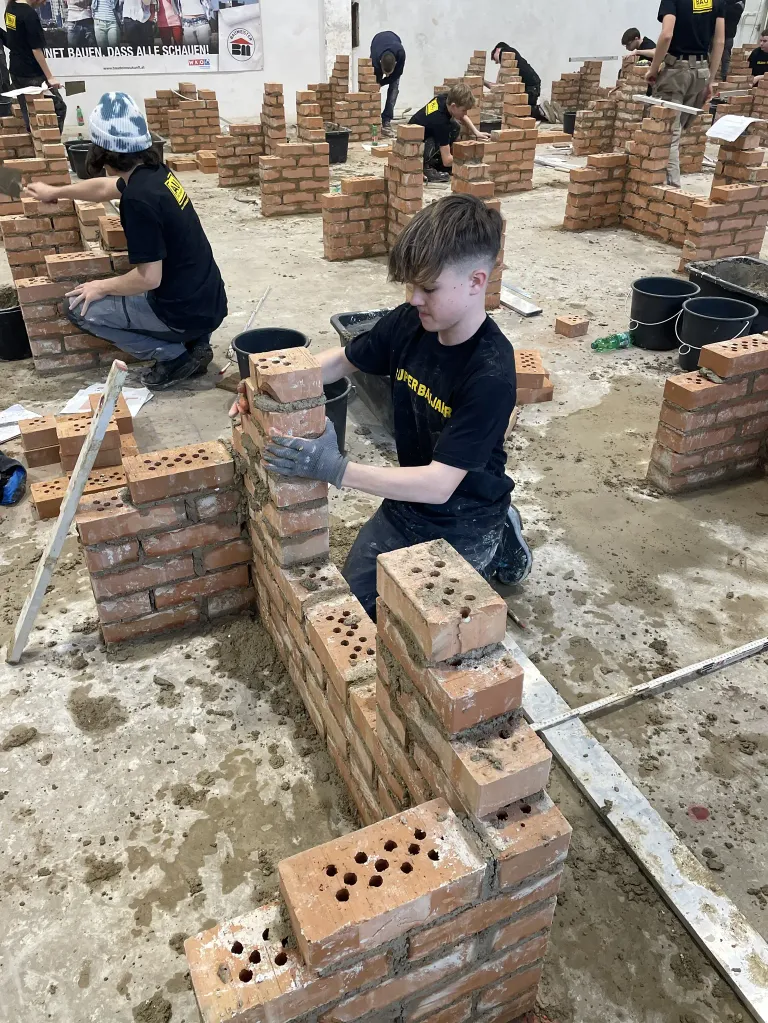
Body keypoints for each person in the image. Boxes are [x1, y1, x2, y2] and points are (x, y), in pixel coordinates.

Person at [232, 194, 532, 620]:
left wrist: (335, 469)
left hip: (463, 510)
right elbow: (342, 361)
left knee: (418, 626)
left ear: (476, 281)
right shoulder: (412, 321)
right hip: (409, 502)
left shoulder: (490, 375)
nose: (413, 298)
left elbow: (439, 485)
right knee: (358, 607)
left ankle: (499, 533)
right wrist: (265, 387)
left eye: (427, 288)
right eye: (409, 285)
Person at [25, 92, 227, 390]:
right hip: (210, 302)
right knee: (137, 289)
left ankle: (174, 357)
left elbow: (148, 278)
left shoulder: (138, 201)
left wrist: (101, 285)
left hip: (183, 311)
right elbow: (106, 187)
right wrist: (56, 192)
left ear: (100, 150)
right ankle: (195, 343)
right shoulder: (155, 174)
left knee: (78, 307)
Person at [646, 0, 726, 189]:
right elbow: (720, 41)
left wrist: (654, 68)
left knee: (669, 133)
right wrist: (710, 80)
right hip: (701, 72)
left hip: (677, 72)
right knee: (678, 130)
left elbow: (666, 35)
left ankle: (673, 189)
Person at [0, 0, 66, 131]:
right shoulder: (29, 14)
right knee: (58, 108)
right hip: (31, 73)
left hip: (16, 70)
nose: (44, 2)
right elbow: (36, 49)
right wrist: (50, 77)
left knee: (29, 111)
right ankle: (49, 147)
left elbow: (14, 40)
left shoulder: (11, 8)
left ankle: (35, 142)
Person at [409, 83, 489, 183]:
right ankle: (426, 168)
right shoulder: (441, 122)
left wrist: (476, 132)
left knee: (455, 126)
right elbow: (447, 161)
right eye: (464, 110)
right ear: (454, 106)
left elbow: (462, 116)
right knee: (443, 139)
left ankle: (437, 163)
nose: (465, 114)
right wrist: (469, 159)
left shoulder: (445, 98)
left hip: (422, 131)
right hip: (413, 147)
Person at [487, 41, 544, 121]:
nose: (497, 62)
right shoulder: (512, 54)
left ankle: (540, 109)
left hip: (531, 86)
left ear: (497, 50)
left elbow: (498, 81)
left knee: (523, 112)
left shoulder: (505, 52)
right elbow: (499, 82)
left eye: (494, 59)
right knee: (527, 116)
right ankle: (543, 111)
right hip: (533, 84)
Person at [370, 30, 406, 135]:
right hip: (377, 41)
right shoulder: (375, 59)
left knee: (394, 89)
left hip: (394, 39)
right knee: (372, 87)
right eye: (386, 73)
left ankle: (386, 119)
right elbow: (374, 81)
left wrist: (382, 83)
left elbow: (397, 73)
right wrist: (377, 83)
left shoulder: (401, 54)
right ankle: (372, 117)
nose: (387, 76)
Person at [721, 0, 745, 78]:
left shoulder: (739, 3)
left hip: (728, 35)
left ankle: (724, 77)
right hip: (715, 33)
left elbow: (731, 12)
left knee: (725, 57)